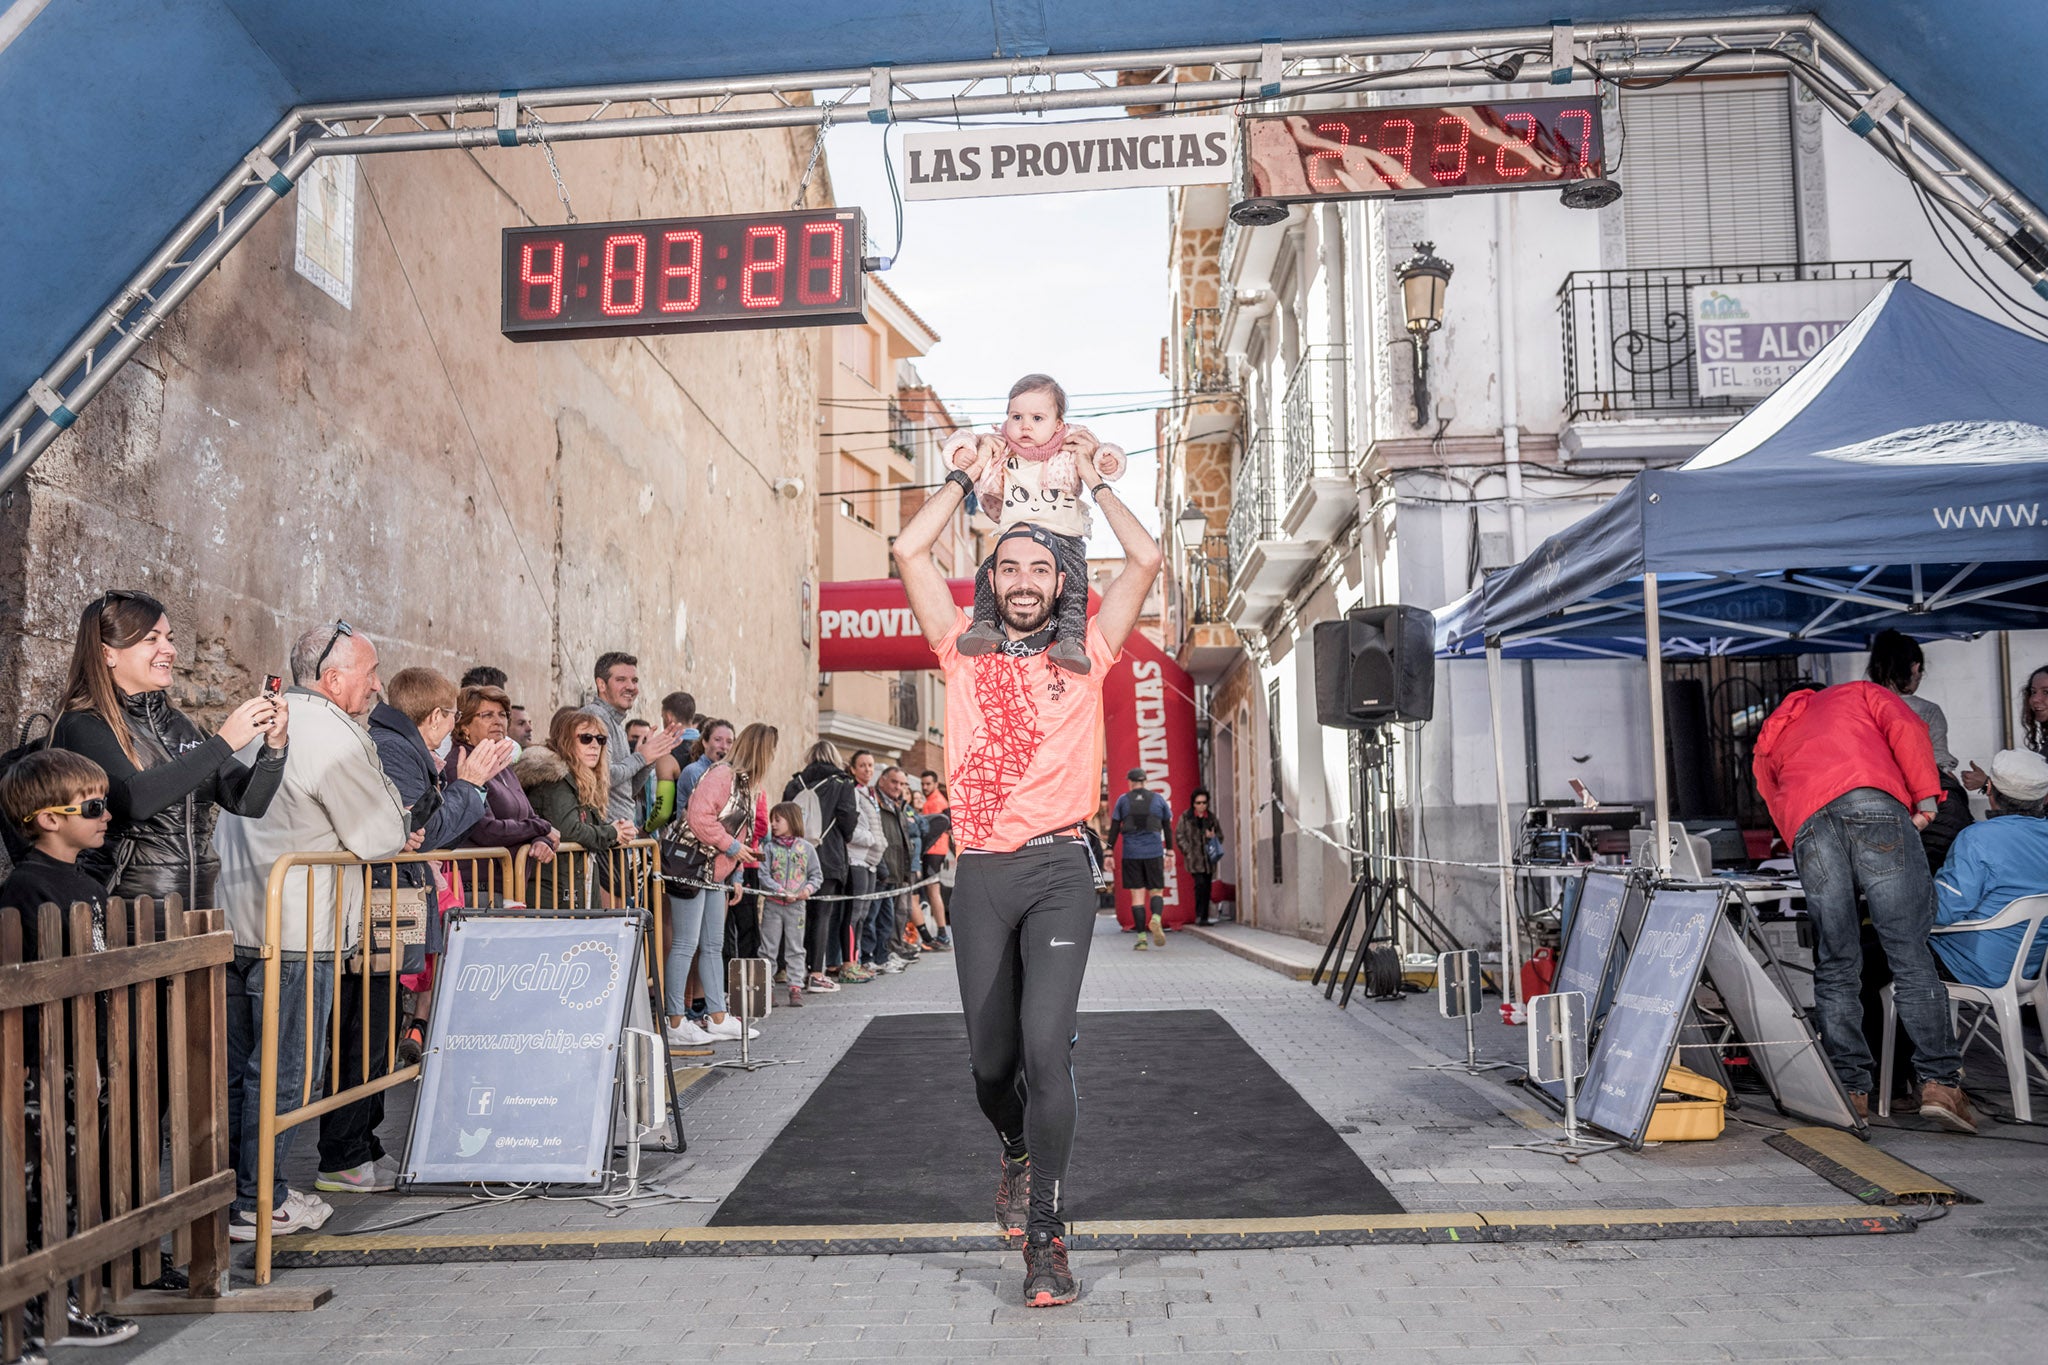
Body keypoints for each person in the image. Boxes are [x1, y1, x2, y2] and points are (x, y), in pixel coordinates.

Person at [893, 409, 1161, 1308]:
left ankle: (1047, 1235)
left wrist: (1096, 475)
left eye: (1041, 567)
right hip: (981, 877)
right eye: (1008, 565)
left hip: (1055, 874)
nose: (1023, 579)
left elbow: (1149, 560)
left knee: (1048, 1052)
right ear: (991, 579)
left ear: (1061, 579)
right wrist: (971, 478)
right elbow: (906, 546)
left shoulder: (1089, 651)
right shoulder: (958, 654)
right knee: (988, 1065)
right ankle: (1013, 1151)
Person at [213, 620, 412, 1241]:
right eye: (370, 674)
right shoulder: (332, 733)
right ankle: (258, 1201)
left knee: (244, 1072)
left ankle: (242, 1193)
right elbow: (383, 834)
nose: (377, 687)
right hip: (296, 930)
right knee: (285, 1075)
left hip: (237, 921)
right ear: (334, 679)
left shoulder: (262, 716)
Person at [320, 668, 513, 1194]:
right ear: (438, 717)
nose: (454, 731)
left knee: (375, 1032)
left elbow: (420, 826)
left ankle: (362, 1145)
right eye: (453, 717)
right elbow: (420, 831)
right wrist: (469, 786)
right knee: (366, 1034)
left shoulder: (398, 747)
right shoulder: (396, 749)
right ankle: (345, 1154)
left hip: (391, 905)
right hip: (381, 908)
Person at [1752, 679, 1974, 1132]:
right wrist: (1927, 801)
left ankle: (1851, 1093)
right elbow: (1906, 728)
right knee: (1908, 954)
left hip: (1809, 821)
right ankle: (1940, 1085)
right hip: (1871, 799)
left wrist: (1798, 836)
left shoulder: (1778, 727)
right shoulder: (1856, 691)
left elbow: (1768, 785)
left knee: (1835, 960)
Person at [0, 748, 144, 1349]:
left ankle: (65, 1305)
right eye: (92, 804)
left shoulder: (84, 881)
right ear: (49, 818)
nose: (106, 813)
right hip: (45, 1068)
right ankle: (25, 1315)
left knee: (78, 1189)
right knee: (38, 1194)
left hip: (91, 1064)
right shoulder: (26, 890)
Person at [50, 590, 288, 922]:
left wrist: (275, 746)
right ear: (108, 654)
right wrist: (223, 742)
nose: (170, 650)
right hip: (126, 918)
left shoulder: (181, 726)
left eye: (170, 638)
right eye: (152, 639)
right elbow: (134, 799)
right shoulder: (83, 723)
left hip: (195, 914)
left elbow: (248, 802)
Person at [944, 375, 1126, 674]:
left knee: (1075, 586)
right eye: (1017, 417)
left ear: (1058, 424)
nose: (1025, 426)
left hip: (1064, 535)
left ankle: (1070, 641)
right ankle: (985, 626)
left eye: (1037, 418)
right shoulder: (1001, 447)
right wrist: (963, 452)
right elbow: (963, 440)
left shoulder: (1071, 445)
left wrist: (1106, 460)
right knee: (986, 575)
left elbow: (1105, 453)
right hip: (1018, 538)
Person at [670, 722, 778, 1045]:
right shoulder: (723, 776)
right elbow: (698, 817)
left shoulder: (743, 782)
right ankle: (675, 1021)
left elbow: (737, 832)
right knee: (686, 945)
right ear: (761, 751)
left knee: (712, 945)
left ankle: (717, 1016)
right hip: (691, 868)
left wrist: (736, 874)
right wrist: (732, 849)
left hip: (714, 872)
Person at [1933, 748, 2048, 989]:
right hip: (2029, 969)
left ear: (1991, 791)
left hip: (1970, 967)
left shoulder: (1977, 838)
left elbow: (1942, 911)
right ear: (2045, 798)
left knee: (1870, 953)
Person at [1867, 629, 1971, 868]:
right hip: (1925, 809)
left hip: (1872, 802)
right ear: (1914, 668)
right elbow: (1938, 763)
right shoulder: (1927, 711)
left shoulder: (1860, 708)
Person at [515, 709, 635, 908]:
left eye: (600, 739)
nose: (594, 745)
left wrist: (618, 832)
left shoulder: (581, 779)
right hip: (551, 888)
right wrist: (613, 832)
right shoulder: (554, 778)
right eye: (586, 738)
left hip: (572, 883)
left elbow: (585, 824)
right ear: (566, 741)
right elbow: (568, 830)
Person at [785, 739, 858, 993]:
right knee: (822, 915)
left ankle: (794, 970)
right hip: (828, 854)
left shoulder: (795, 783)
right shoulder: (843, 784)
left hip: (794, 856)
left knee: (797, 914)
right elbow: (849, 821)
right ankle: (816, 972)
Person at [582, 651, 684, 825]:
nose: (631, 687)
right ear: (601, 684)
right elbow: (602, 777)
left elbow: (626, 790)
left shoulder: (615, 723)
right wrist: (640, 757)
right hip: (604, 838)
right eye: (621, 680)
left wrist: (649, 759)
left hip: (621, 840)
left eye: (634, 680)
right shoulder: (594, 717)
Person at [758, 802, 822, 1009]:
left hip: (797, 907)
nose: (773, 825)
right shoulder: (768, 848)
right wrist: (778, 890)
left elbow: (816, 875)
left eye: (778, 820)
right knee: (768, 948)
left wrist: (807, 890)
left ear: (792, 820)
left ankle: (795, 986)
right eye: (772, 820)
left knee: (795, 948)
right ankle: (767, 988)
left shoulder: (807, 849)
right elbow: (763, 875)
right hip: (773, 906)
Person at [1109, 768, 1175, 949]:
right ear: (1145, 782)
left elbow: (1114, 828)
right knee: (1156, 891)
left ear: (1130, 782)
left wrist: (1108, 853)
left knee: (1137, 897)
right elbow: (1167, 828)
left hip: (1131, 854)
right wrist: (1169, 851)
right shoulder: (1158, 800)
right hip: (1154, 852)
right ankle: (1155, 918)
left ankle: (1141, 939)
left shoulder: (1123, 800)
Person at [840, 750, 886, 985]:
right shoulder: (853, 793)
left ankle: (856, 961)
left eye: (871, 765)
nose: (867, 769)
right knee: (854, 914)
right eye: (863, 765)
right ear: (853, 768)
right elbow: (849, 828)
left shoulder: (871, 793)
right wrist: (871, 839)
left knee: (863, 916)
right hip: (857, 859)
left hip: (871, 862)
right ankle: (848, 963)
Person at [874, 765, 925, 972]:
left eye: (902, 784)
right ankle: (875, 957)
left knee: (890, 916)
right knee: (875, 918)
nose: (898, 787)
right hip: (882, 868)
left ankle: (885, 954)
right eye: (894, 782)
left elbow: (915, 831)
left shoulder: (899, 804)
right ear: (882, 781)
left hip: (898, 869)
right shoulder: (878, 802)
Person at [643, 692, 699, 832]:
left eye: (663, 717)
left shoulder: (668, 755)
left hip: (681, 837)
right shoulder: (709, 747)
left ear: (668, 717)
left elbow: (662, 812)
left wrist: (645, 830)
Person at [1176, 787, 1224, 927]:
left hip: (1208, 858)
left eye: (1204, 802)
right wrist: (1188, 850)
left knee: (1207, 886)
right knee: (1199, 884)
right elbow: (1179, 835)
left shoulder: (1211, 818)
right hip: (1194, 858)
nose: (1201, 806)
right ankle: (1199, 914)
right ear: (1193, 804)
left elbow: (1220, 835)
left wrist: (1213, 837)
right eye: (1198, 803)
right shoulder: (1186, 817)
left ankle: (1204, 916)